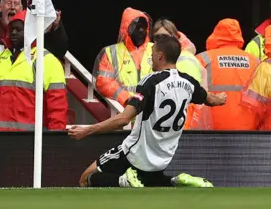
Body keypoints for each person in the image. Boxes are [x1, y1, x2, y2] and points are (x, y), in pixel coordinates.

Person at [69, 35, 227, 188]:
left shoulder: (151, 82)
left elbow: (124, 119)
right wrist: (221, 97)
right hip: (163, 158)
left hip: (136, 152)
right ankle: (176, 182)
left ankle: (124, 182)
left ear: (160, 56)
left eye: (152, 55)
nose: (150, 58)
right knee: (147, 182)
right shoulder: (189, 82)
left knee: (85, 179)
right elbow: (212, 100)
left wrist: (87, 130)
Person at [0, 10, 68, 131]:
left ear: (31, 31)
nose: (13, 33)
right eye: (11, 29)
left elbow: (57, 106)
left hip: (32, 145)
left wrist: (55, 142)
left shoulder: (47, 60)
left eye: (19, 30)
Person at [195, 18, 260, 130]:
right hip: (249, 131)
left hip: (211, 130)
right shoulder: (255, 62)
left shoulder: (203, 58)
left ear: (216, 34)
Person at [93, 7, 151, 106]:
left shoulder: (156, 49)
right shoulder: (111, 52)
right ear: (126, 27)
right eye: (137, 27)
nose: (141, 31)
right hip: (124, 111)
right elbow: (103, 82)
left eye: (144, 27)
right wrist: (126, 98)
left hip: (153, 113)